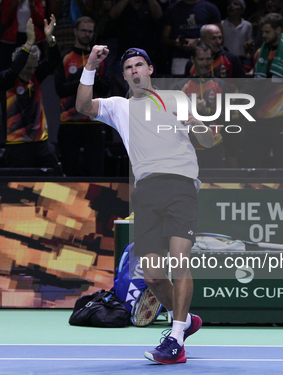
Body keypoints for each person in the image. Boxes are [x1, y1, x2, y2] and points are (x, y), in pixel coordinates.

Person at [75, 46, 213, 364]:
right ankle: (186, 320)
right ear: (124, 76)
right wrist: (91, 66)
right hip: (147, 191)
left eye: (140, 65)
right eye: (129, 67)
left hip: (181, 185)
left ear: (150, 70)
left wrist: (195, 123)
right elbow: (82, 105)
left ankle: (176, 339)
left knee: (179, 261)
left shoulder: (177, 100)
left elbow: (208, 141)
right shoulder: (119, 108)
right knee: (152, 275)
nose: (135, 70)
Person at [240, 13, 283, 168]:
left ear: (278, 30)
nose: (263, 35)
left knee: (280, 167)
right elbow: (253, 83)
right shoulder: (259, 54)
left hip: (278, 120)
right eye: (262, 32)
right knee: (253, 165)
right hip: (256, 120)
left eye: (267, 32)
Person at [0, 16, 61, 169]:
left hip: (40, 143)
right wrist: (29, 42)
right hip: (17, 144)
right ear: (18, 64)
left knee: (54, 175)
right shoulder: (5, 80)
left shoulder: (35, 76)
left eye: (33, 68)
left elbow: (54, 61)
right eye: (26, 68)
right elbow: (13, 71)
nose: (29, 72)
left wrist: (50, 38)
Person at [54, 16, 109, 176]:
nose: (87, 34)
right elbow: (60, 89)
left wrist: (94, 78)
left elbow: (106, 88)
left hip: (94, 122)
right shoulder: (65, 57)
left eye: (90, 32)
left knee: (96, 172)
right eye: (84, 31)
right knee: (70, 171)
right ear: (75, 32)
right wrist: (84, 77)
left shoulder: (101, 59)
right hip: (69, 122)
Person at [178, 42, 228, 168]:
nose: (205, 63)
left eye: (208, 59)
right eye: (201, 59)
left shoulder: (220, 85)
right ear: (193, 60)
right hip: (189, 148)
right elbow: (176, 120)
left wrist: (207, 111)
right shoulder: (181, 86)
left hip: (215, 147)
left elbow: (227, 117)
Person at [161, 0, 220, 76]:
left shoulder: (210, 9)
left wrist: (198, 41)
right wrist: (177, 43)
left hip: (205, 58)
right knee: (180, 89)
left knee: (206, 88)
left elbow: (219, 38)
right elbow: (165, 38)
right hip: (180, 59)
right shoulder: (172, 10)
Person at [0, 0, 46, 70]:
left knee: (35, 68)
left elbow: (40, 20)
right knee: (12, 69)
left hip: (33, 37)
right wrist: (14, 2)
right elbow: (4, 21)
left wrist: (31, 2)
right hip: (13, 38)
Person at [221, 0, 253, 70]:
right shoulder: (222, 24)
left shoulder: (247, 25)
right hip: (225, 60)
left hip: (241, 60)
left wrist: (249, 44)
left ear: (242, 10)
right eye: (229, 4)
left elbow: (250, 41)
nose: (231, 6)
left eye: (235, 4)